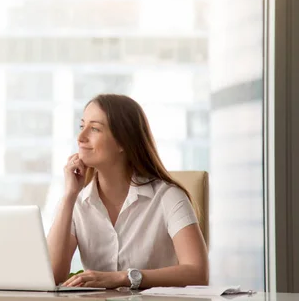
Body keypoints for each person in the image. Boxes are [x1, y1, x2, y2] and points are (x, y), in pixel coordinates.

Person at [47, 94, 208, 290]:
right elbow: (52, 275)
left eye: (95, 129)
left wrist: (124, 277)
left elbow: (197, 272)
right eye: (82, 127)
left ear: (123, 142)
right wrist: (70, 195)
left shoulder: (168, 196)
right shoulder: (76, 202)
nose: (81, 138)